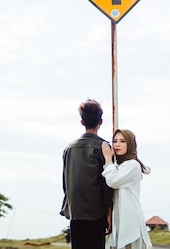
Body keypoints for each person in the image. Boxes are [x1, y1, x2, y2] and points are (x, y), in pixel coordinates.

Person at [60, 99, 113, 249]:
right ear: (100, 121)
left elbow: (66, 182)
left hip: (75, 211)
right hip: (97, 212)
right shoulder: (103, 147)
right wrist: (109, 211)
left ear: (82, 122)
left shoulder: (69, 148)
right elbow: (106, 182)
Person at [102, 129, 152, 249]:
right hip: (118, 218)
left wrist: (108, 160)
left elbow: (113, 181)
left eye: (122, 141)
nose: (117, 144)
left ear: (129, 144)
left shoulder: (133, 165)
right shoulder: (118, 166)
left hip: (129, 217)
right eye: (115, 141)